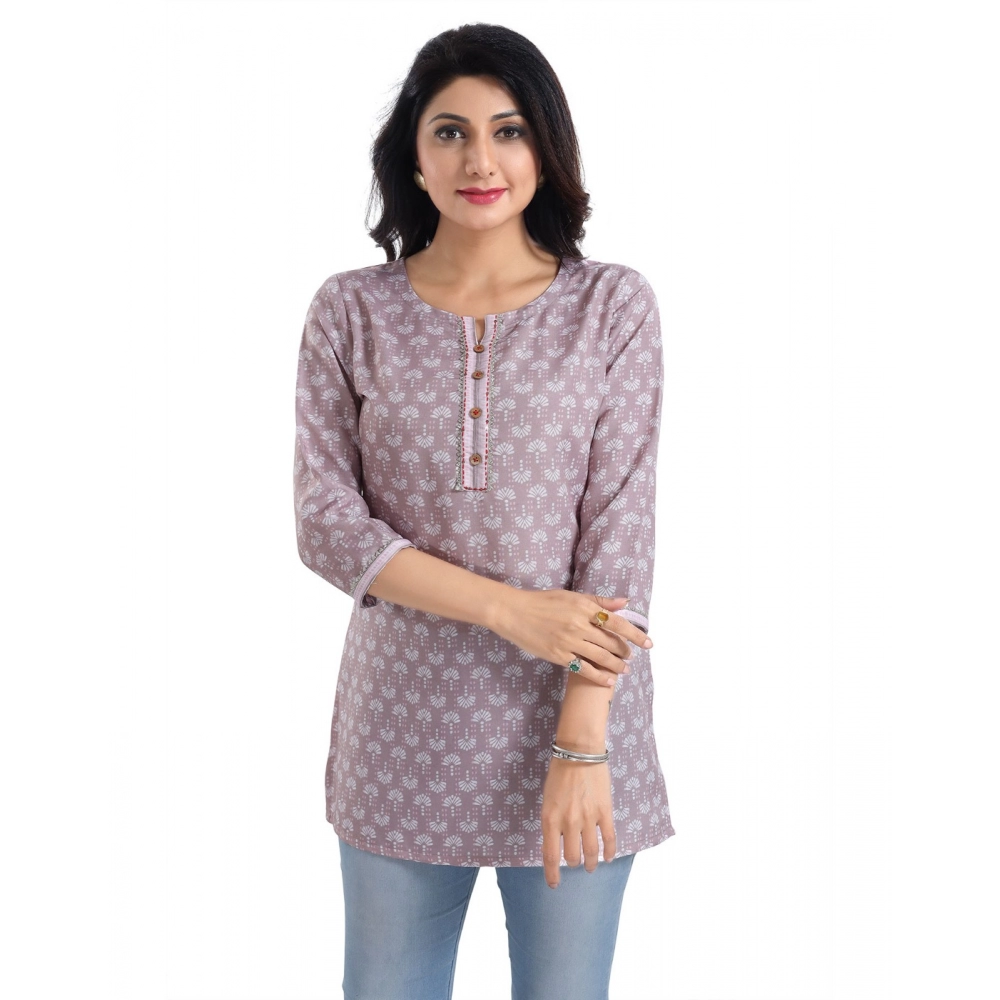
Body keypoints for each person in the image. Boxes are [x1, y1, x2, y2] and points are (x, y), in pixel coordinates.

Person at [293, 22, 676, 1000]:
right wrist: (511, 610)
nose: (480, 160)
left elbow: (620, 534)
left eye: (508, 131)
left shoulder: (612, 307)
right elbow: (327, 523)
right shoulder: (350, 311)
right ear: (412, 157)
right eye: (450, 132)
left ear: (545, 148)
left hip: (579, 723)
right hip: (403, 730)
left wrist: (581, 737)